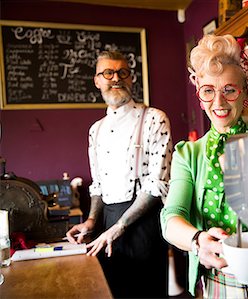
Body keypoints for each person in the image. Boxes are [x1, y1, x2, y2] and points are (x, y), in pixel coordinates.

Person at [160, 34, 248, 299]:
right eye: (208, 90)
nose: (219, 103)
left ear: (245, 91)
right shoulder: (188, 154)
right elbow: (171, 217)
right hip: (218, 279)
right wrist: (198, 241)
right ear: (199, 95)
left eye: (229, 90)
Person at [66, 50, 173, 298]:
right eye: (108, 72)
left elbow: (157, 184)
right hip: (107, 224)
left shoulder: (154, 119)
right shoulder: (96, 130)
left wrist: (119, 226)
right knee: (113, 291)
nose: (116, 78)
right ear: (97, 81)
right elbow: (98, 186)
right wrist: (92, 221)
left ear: (131, 78)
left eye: (122, 72)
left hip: (144, 225)